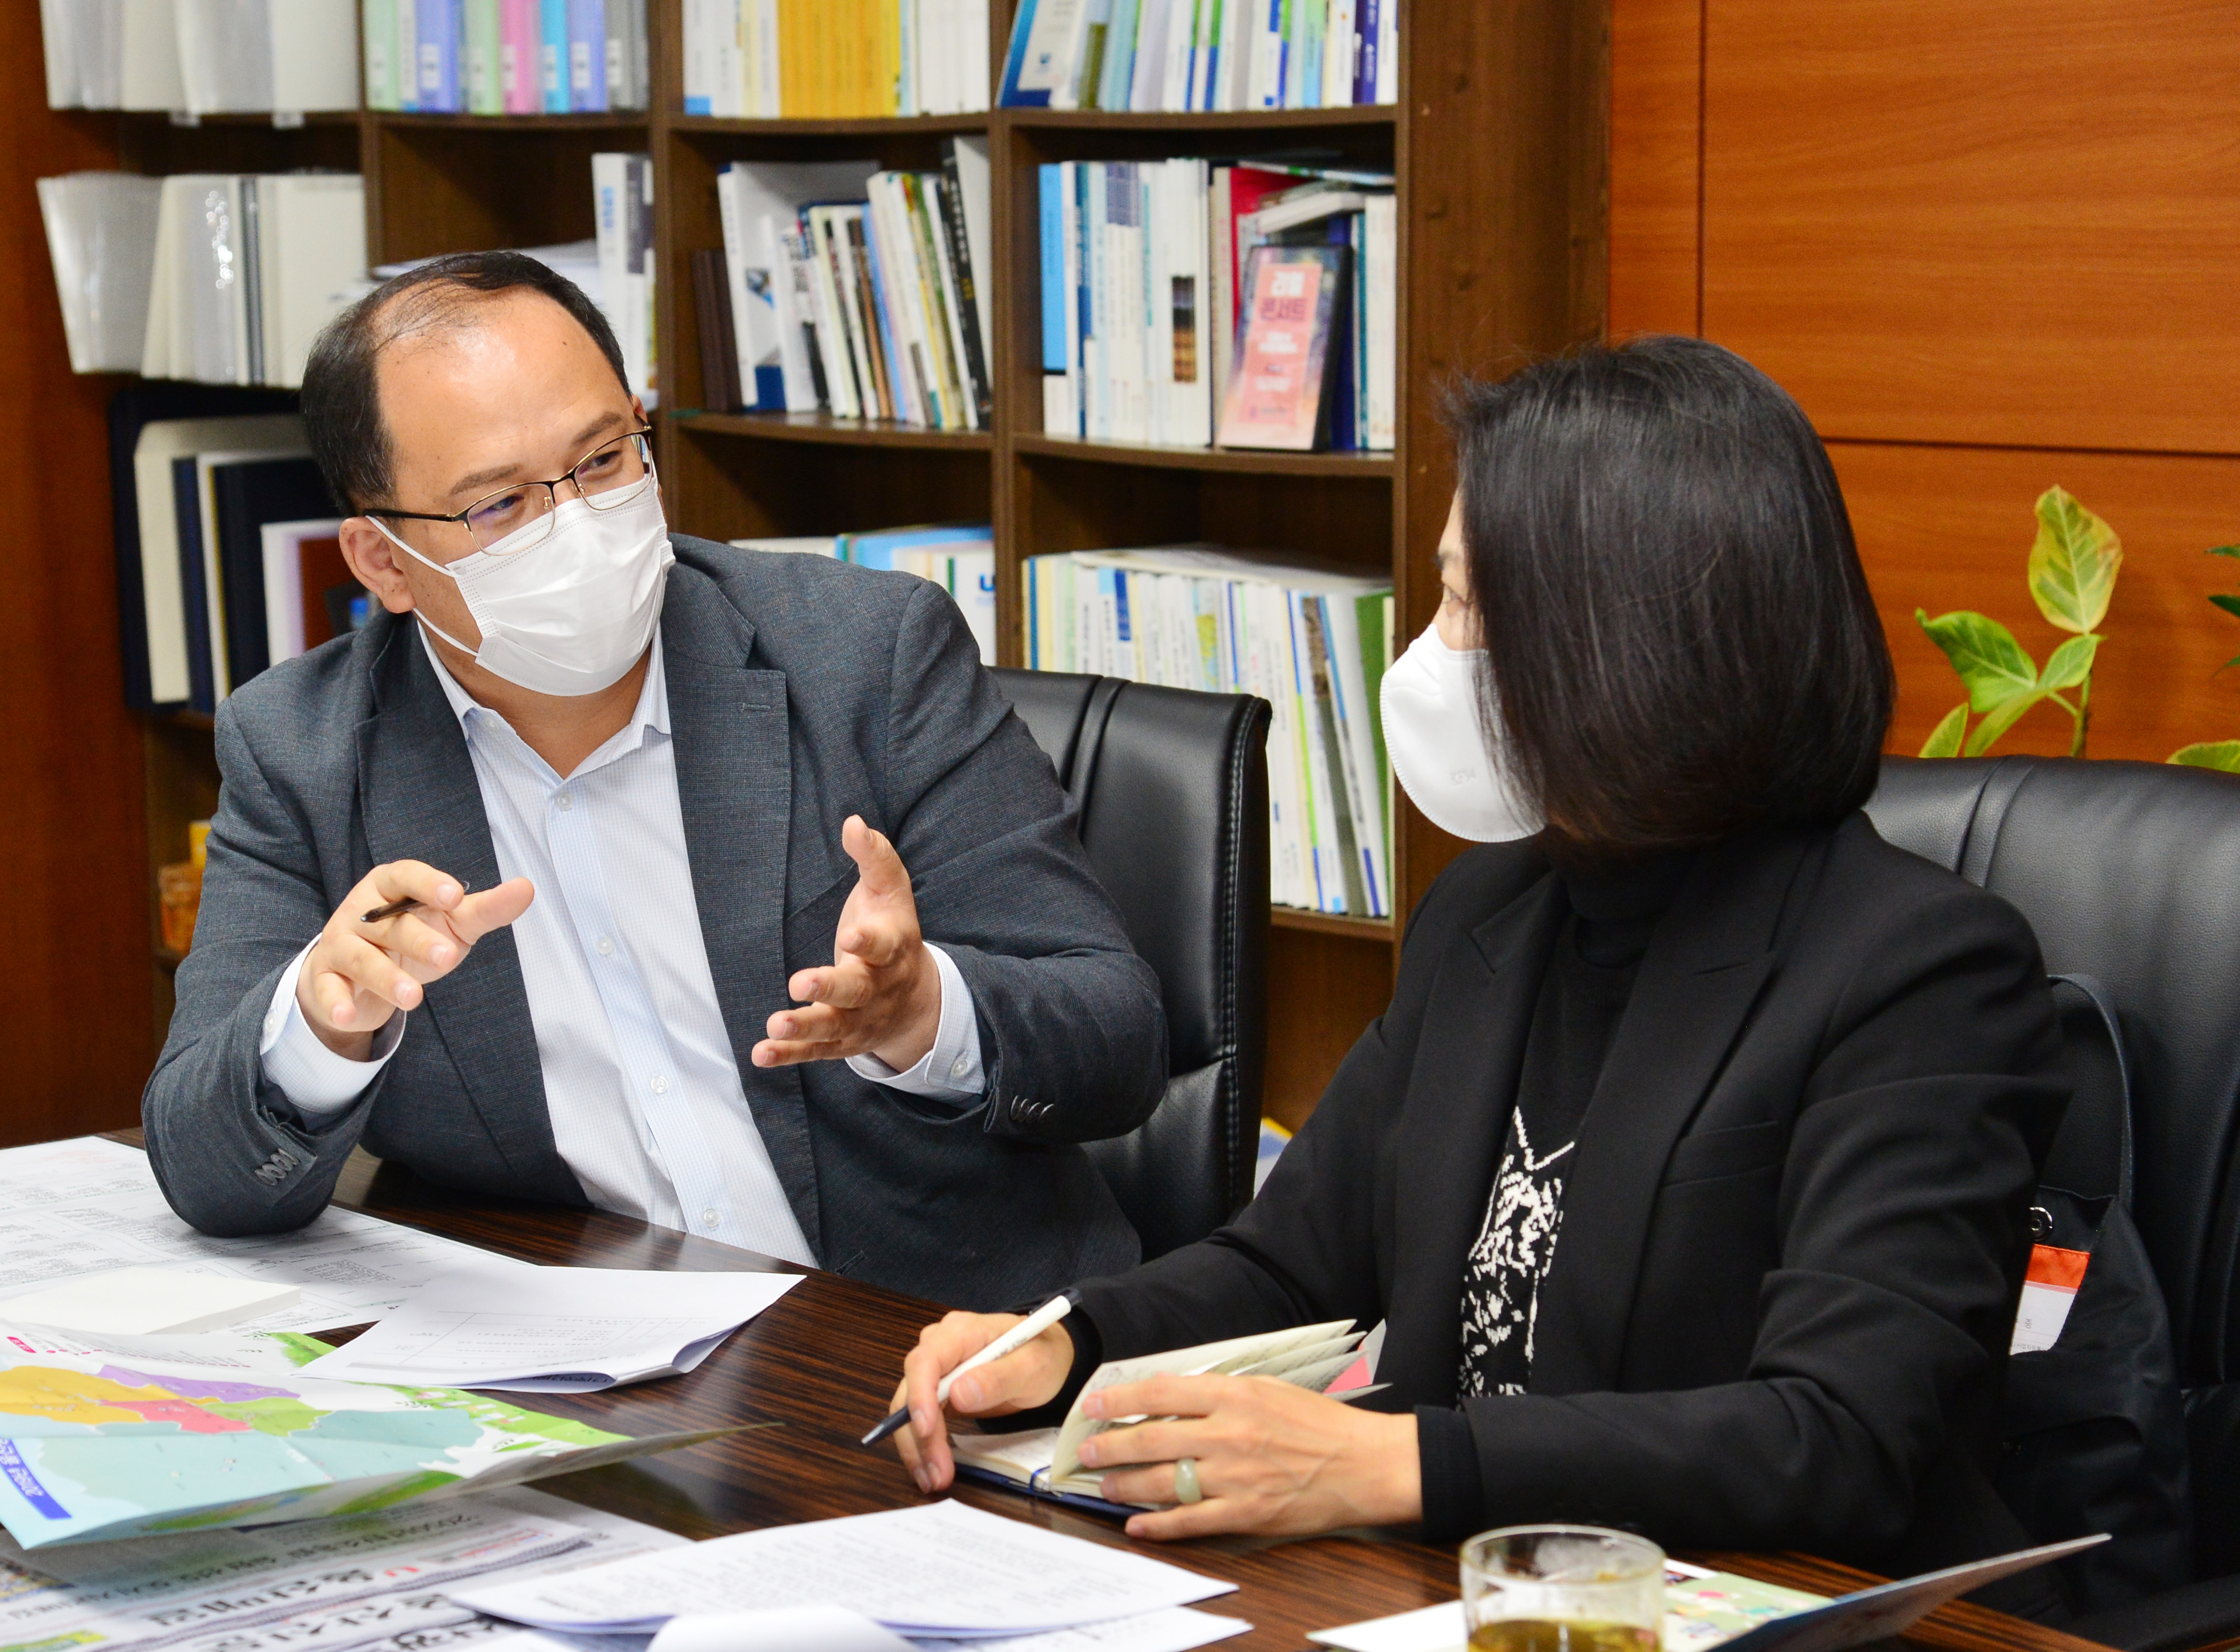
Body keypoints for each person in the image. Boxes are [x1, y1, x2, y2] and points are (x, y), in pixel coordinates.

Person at [890, 337, 2071, 1575]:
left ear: (1618, 652)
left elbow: (1838, 1437)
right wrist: (1065, 1341)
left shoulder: (1921, 973)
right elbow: (1292, 1255)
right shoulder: (1490, 913)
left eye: (1466, 606)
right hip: (1466, 1591)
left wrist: (1398, 1466)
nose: (1432, 653)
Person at [142, 252, 1167, 1310]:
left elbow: (1119, 1042)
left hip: (935, 1344)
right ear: (383, 562)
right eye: (499, 504)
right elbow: (208, 1176)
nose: (575, 523)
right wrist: (323, 1030)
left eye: (601, 461)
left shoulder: (866, 654)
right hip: (596, 1375)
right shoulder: (302, 752)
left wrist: (923, 1015)